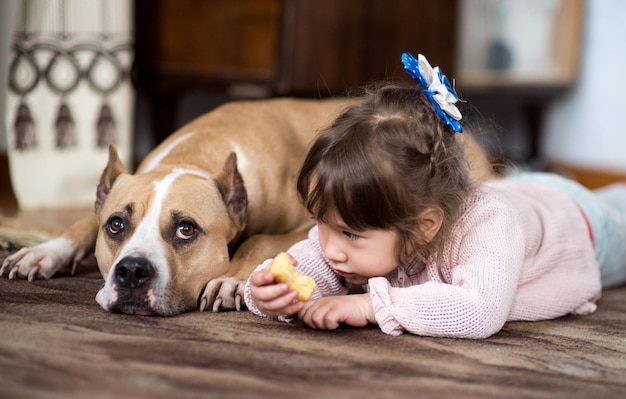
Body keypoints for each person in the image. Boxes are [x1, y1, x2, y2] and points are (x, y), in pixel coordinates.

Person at [244, 53, 626, 339]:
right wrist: (269, 290)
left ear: (425, 226)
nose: (331, 249)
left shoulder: (489, 227)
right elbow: (313, 261)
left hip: (579, 224)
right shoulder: (372, 221)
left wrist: (369, 304)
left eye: (350, 234)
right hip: (518, 192)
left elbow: (478, 311)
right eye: (321, 222)